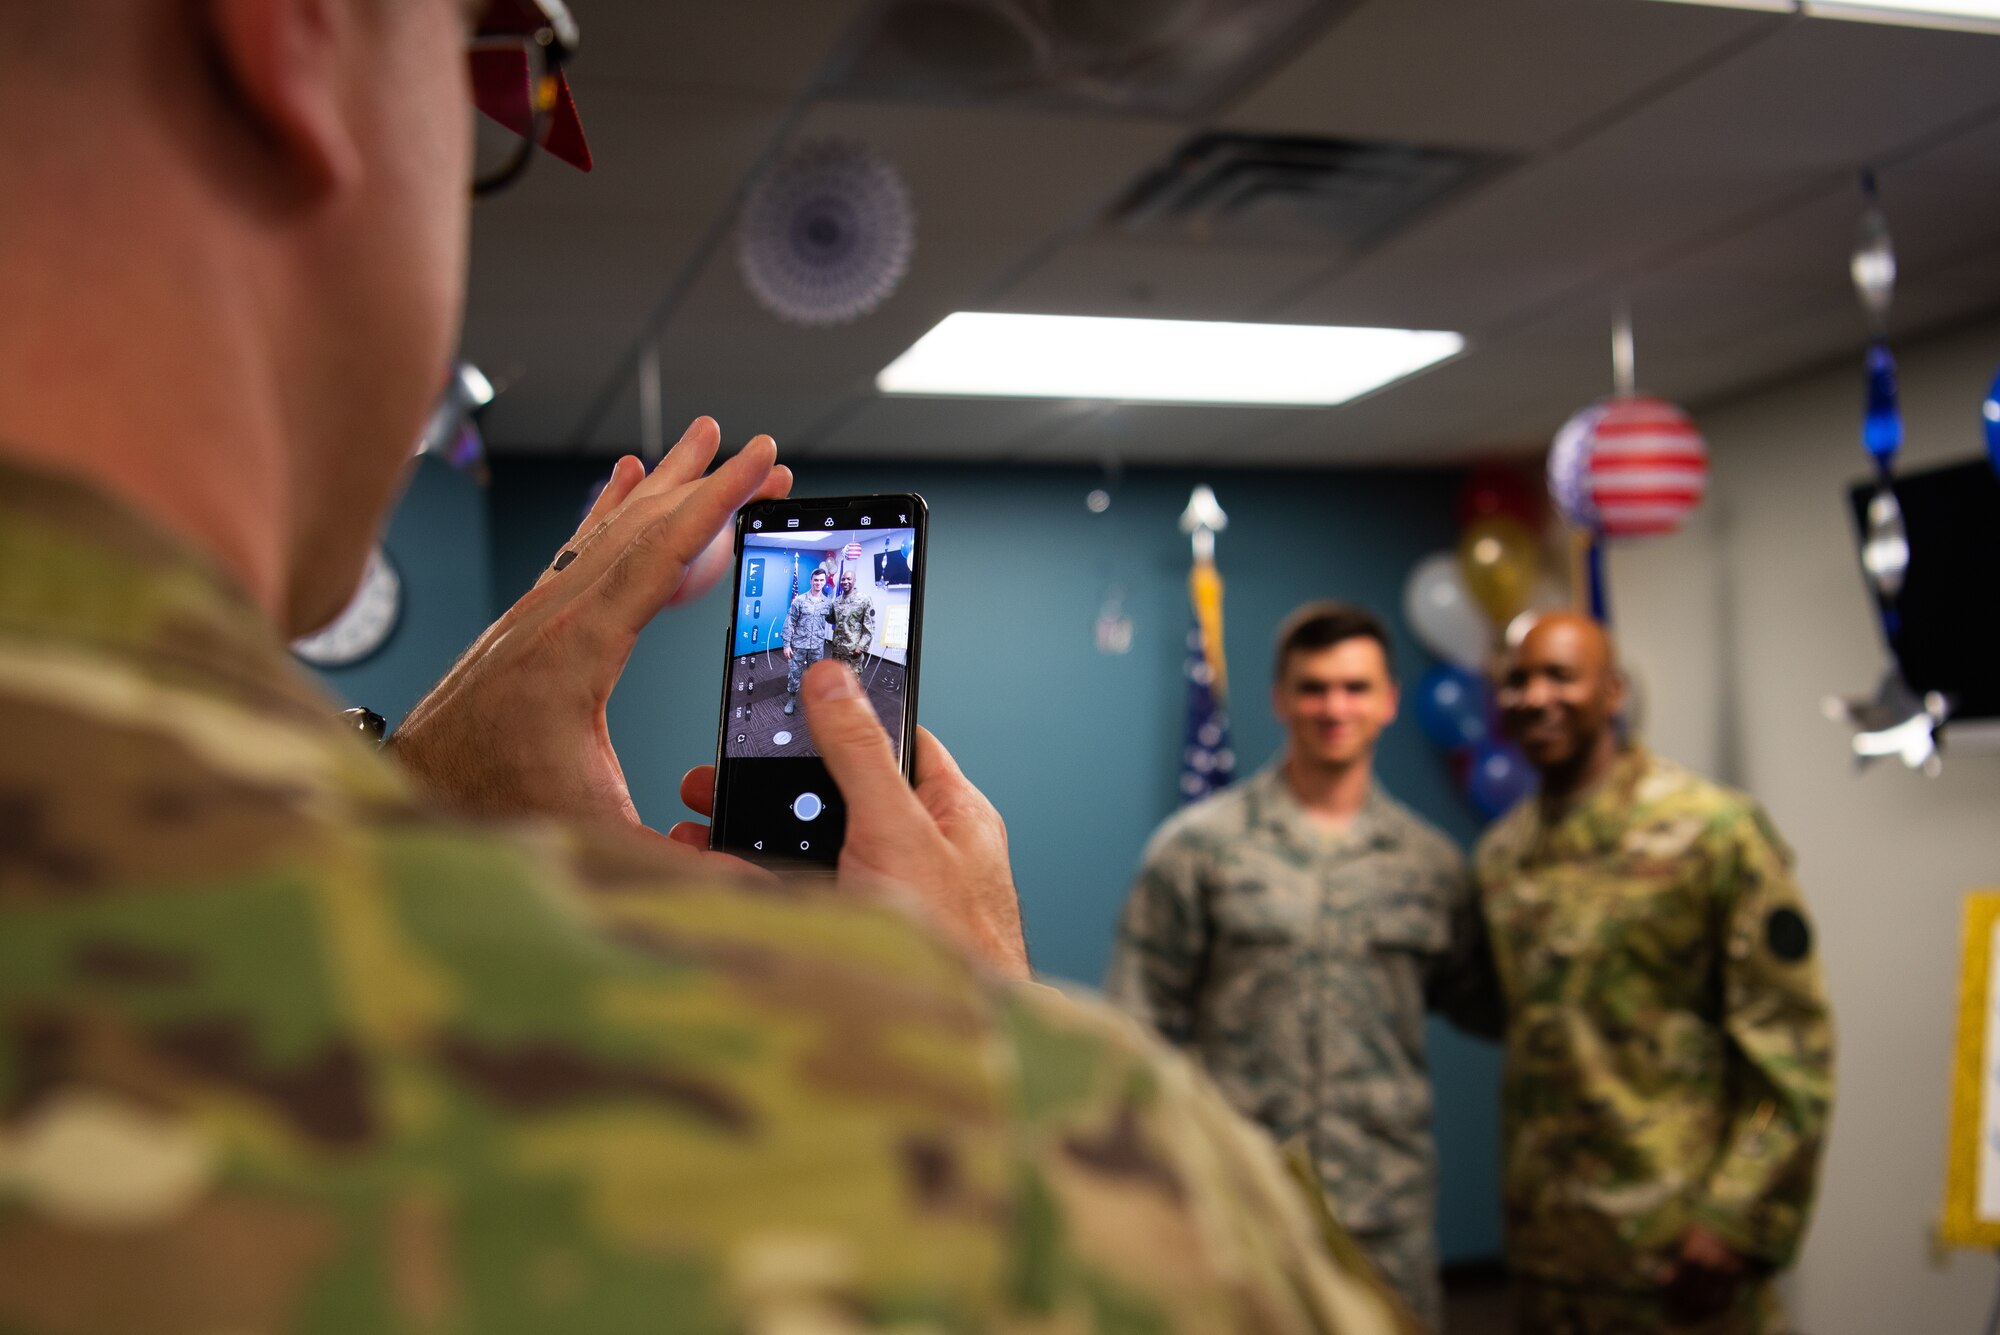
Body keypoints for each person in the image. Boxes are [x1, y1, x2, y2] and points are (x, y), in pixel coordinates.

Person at [0, 1, 1412, 1330]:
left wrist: (408, 795)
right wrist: (1004, 1047)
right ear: (295, 30)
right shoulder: (996, 1154)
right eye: (493, 51)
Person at [1107, 602, 1498, 1332]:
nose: (1333, 706)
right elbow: (1137, 1029)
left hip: (1386, 1209)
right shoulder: (1197, 849)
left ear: (1387, 700)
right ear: (1280, 698)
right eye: (1313, 687)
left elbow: (1480, 996)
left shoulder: (1430, 864)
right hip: (1243, 1202)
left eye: (1355, 687)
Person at [1476, 612, 1833, 1334]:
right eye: (1518, 679)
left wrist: (1737, 1216)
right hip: (1552, 1256)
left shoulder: (1713, 831)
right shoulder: (1502, 855)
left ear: (1612, 693)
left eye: (1561, 675)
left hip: (1679, 1255)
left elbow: (1791, 1047)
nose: (1537, 695)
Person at [781, 567, 834, 714]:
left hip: (817, 646)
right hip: (799, 645)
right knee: (794, 673)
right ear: (811, 581)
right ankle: (791, 698)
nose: (818, 583)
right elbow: (789, 621)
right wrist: (786, 644)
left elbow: (832, 620)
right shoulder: (800, 600)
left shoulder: (828, 603)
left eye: (821, 580)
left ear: (825, 582)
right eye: (816, 580)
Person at [831, 569, 878, 675]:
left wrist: (861, 647)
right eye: (843, 579)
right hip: (837, 650)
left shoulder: (864, 600)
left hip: (852, 651)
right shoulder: (837, 601)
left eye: (848, 579)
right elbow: (833, 620)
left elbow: (869, 627)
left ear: (854, 580)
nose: (845, 581)